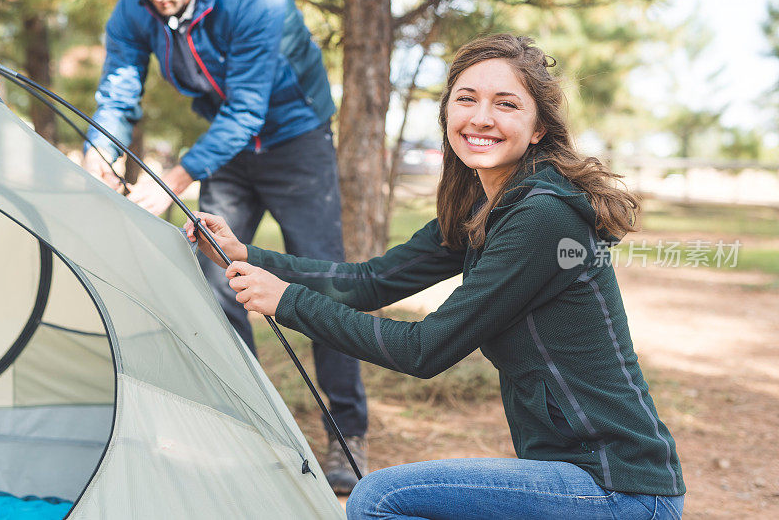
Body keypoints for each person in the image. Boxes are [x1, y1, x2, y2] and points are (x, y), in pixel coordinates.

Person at [186, 34, 686, 519]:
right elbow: (371, 282)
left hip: (618, 489)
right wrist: (244, 253)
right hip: (572, 475)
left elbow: (424, 350)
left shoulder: (542, 217)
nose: (481, 117)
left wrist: (288, 301)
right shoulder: (482, 204)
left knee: (378, 498)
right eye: (466, 99)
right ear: (448, 112)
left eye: (506, 104)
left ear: (538, 129)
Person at [82, 0, 368, 493]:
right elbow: (118, 89)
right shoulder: (134, 8)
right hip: (227, 146)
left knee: (325, 283)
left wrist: (177, 175)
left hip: (295, 139)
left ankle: (347, 434)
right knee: (216, 279)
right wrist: (100, 154)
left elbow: (248, 108)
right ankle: (257, 426)